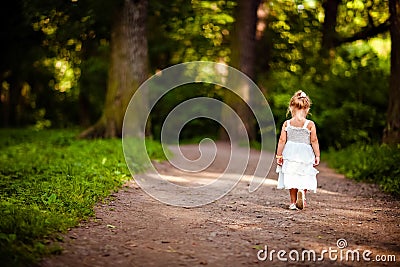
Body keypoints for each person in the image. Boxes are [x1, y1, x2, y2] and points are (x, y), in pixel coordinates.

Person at [276, 90, 320, 210]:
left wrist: (279, 156)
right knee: (304, 174)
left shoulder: (287, 123)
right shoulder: (310, 124)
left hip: (290, 152)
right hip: (305, 153)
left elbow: (281, 140)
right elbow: (314, 140)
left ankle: (292, 202)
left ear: (291, 107)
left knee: (291, 175)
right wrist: (317, 155)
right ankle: (302, 193)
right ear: (307, 108)